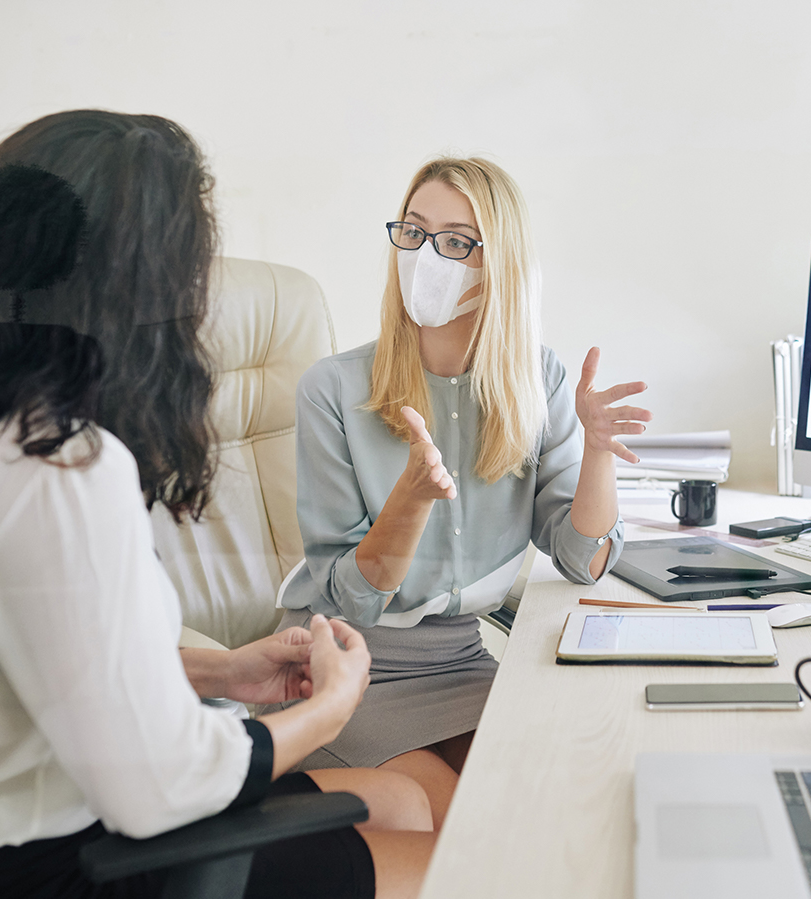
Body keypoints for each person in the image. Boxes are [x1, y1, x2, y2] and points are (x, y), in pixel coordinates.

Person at [0, 110, 434, 899]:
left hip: (41, 805)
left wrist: (224, 668)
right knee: (460, 866)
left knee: (404, 798)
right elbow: (155, 789)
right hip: (49, 856)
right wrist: (330, 710)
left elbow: (50, 649)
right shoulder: (54, 466)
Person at [279, 156, 651, 825]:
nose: (426, 257)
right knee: (467, 826)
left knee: (552, 801)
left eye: (455, 242)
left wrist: (597, 452)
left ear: (497, 264)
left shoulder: (538, 377)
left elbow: (583, 557)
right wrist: (412, 499)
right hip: (346, 665)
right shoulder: (333, 388)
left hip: (460, 660)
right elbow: (351, 595)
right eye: (414, 232)